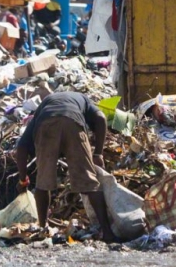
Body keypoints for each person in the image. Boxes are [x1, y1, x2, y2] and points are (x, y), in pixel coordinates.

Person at [15, 92, 116, 242]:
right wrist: (98, 153)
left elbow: (21, 147)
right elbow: (101, 118)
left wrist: (23, 180)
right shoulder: (84, 101)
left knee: (43, 183)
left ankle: (43, 229)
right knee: (89, 182)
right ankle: (108, 233)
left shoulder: (44, 107)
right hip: (73, 123)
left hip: (46, 125)